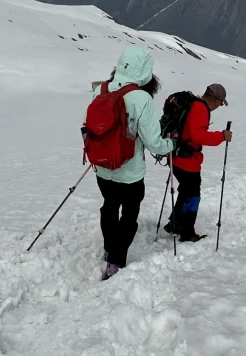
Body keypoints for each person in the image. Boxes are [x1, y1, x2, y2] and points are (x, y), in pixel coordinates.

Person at [93, 47, 174, 280]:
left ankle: (109, 248)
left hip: (103, 168)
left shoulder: (101, 89)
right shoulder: (142, 98)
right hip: (130, 171)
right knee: (129, 215)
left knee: (109, 207)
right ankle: (116, 262)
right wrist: (171, 145)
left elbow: (92, 127)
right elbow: (154, 142)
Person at [164, 83, 233, 242]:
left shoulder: (193, 103)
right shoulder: (200, 108)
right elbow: (198, 136)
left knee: (186, 191)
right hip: (187, 160)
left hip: (176, 155)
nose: (219, 106)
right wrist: (222, 136)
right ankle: (187, 233)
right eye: (220, 103)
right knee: (192, 195)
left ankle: (174, 224)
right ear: (215, 99)